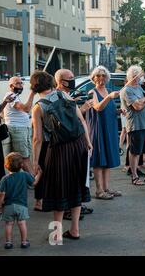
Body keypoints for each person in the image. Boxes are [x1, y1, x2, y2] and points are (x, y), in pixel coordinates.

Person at [31, 71, 92, 241]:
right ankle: (75, 230)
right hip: (78, 145)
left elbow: (37, 139)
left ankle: (56, 234)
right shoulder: (64, 96)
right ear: (51, 83)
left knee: (58, 190)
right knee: (76, 186)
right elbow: (81, 120)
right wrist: (88, 142)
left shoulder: (38, 107)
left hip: (58, 150)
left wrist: (36, 162)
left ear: (35, 87)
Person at [54, 69, 94, 217]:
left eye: (73, 77)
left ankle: (74, 210)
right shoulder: (55, 97)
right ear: (60, 81)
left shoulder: (67, 96)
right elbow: (75, 121)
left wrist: (88, 141)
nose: (73, 80)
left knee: (76, 179)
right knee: (66, 181)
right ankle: (66, 212)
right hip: (62, 146)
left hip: (75, 143)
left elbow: (81, 120)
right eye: (70, 78)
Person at [86, 66, 121, 200]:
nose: (101, 78)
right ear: (93, 78)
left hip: (109, 128)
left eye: (104, 76)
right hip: (98, 128)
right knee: (99, 159)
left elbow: (108, 109)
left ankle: (106, 188)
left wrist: (118, 112)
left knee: (107, 158)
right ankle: (99, 190)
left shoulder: (108, 90)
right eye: (98, 76)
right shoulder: (92, 92)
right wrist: (109, 97)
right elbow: (97, 107)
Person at [120, 65, 145, 186]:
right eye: (139, 76)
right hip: (135, 126)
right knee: (135, 152)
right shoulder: (127, 90)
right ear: (133, 76)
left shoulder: (139, 88)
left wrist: (144, 100)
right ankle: (134, 176)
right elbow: (137, 107)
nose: (141, 79)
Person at [0, 152, 41, 249]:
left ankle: (8, 242)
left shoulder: (5, 179)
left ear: (6, 166)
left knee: (9, 224)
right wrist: (39, 174)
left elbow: (2, 194)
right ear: (22, 165)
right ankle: (24, 242)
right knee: (22, 223)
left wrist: (0, 205)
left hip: (8, 206)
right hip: (22, 205)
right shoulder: (24, 175)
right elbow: (34, 183)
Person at [3, 77, 35, 173]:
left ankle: (32, 178)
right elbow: (26, 108)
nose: (20, 86)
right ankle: (33, 181)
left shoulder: (15, 96)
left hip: (24, 129)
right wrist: (33, 93)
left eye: (21, 83)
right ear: (11, 86)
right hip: (18, 129)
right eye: (17, 83)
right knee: (23, 157)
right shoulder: (10, 95)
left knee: (27, 156)